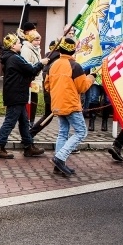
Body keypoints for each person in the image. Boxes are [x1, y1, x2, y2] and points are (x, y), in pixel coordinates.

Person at [0, 33, 48, 159]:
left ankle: (28, 146)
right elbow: (30, 69)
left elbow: (26, 73)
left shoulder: (12, 57)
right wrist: (41, 63)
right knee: (10, 121)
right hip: (16, 94)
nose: (21, 44)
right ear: (12, 46)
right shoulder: (15, 58)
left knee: (24, 122)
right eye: (18, 43)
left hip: (18, 93)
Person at [45, 38, 94, 176]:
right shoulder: (75, 66)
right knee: (81, 132)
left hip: (58, 104)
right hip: (71, 104)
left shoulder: (53, 65)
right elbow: (82, 87)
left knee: (63, 132)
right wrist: (91, 77)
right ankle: (59, 158)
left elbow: (47, 85)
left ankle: (58, 164)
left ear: (60, 49)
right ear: (73, 50)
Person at [20, 29, 43, 127]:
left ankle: (31, 120)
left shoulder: (36, 49)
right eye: (36, 40)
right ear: (30, 40)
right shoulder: (26, 50)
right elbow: (26, 65)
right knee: (31, 100)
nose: (38, 42)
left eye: (39, 40)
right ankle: (28, 120)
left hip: (36, 79)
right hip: (31, 79)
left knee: (34, 100)